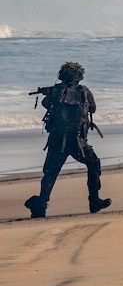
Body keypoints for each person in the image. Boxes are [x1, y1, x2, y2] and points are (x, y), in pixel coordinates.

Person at [24, 62, 111, 218]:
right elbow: (93, 108)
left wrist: (53, 94)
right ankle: (94, 201)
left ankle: (41, 206)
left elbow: (46, 104)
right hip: (78, 140)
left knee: (50, 173)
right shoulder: (85, 91)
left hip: (58, 139)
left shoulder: (55, 91)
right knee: (93, 164)